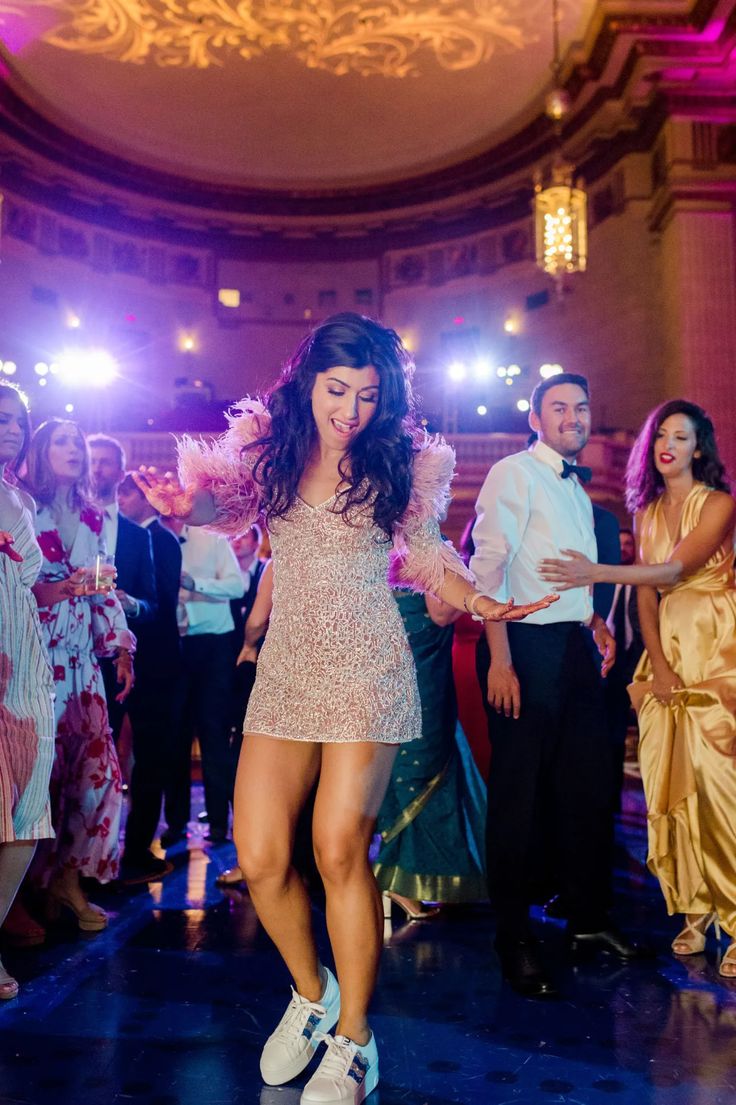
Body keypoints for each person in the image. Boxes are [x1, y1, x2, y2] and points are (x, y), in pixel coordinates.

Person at [135, 312, 553, 1103]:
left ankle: (357, 1039)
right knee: (258, 855)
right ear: (307, 383)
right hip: (289, 667)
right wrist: (178, 505)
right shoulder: (270, 447)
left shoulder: (402, 462)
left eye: (366, 394)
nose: (350, 410)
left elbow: (428, 555)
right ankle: (311, 991)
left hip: (365, 661)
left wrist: (482, 600)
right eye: (337, 390)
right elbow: (216, 509)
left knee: (336, 849)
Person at [539, 399, 736, 978]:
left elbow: (673, 572)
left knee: (719, 783)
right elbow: (648, 594)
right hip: (668, 654)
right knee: (671, 785)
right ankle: (696, 912)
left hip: (718, 651)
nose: (667, 445)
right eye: (660, 436)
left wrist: (595, 572)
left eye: (681, 436)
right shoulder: (646, 507)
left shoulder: (720, 503)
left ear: (700, 448)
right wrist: (656, 665)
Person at [471, 372, 648, 1001]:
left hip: (572, 645)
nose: (573, 416)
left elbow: (568, 577)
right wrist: (499, 660)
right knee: (518, 798)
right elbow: (487, 569)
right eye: (559, 408)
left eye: (581, 406)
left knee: (587, 787)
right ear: (536, 420)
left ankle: (586, 918)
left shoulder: (576, 489)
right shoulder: (514, 474)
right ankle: (512, 937)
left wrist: (594, 618)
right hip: (522, 646)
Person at [22, 419, 135, 930]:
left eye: (77, 441)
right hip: (34, 659)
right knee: (38, 779)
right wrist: (69, 586)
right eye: (60, 441)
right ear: (40, 450)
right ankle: (26, 894)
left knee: (95, 780)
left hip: (82, 662)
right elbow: (22, 591)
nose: (72, 449)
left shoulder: (94, 516)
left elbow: (104, 585)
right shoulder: (22, 505)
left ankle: (66, 881)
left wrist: (122, 648)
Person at [373, 588, 487, 922]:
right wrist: (470, 582)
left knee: (411, 763)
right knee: (422, 765)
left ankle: (402, 877)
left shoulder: (379, 549)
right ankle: (399, 881)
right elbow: (440, 612)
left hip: (393, 665)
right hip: (417, 671)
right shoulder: (422, 554)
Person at [0, 382, 55, 997]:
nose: (12, 427)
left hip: (26, 653)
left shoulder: (20, 496)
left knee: (27, 806)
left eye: (18, 420)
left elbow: (27, 583)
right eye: (0, 419)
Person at [115, 473, 183, 883]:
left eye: (129, 493)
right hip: (111, 657)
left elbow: (163, 604)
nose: (122, 499)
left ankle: (138, 847)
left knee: (152, 760)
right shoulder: (109, 534)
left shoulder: (163, 539)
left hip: (155, 662)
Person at [164, 519, 243, 845]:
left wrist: (194, 583)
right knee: (175, 737)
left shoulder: (212, 538)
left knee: (213, 736)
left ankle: (220, 824)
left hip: (213, 646)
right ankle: (176, 822)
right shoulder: (152, 538)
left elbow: (236, 586)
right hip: (173, 647)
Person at [88, 434, 157, 743]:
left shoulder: (138, 536)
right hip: (67, 648)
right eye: (92, 462)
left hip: (116, 659)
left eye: (105, 462)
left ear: (119, 472)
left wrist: (131, 605)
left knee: (108, 748)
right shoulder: (60, 522)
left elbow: (153, 604)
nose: (97, 468)